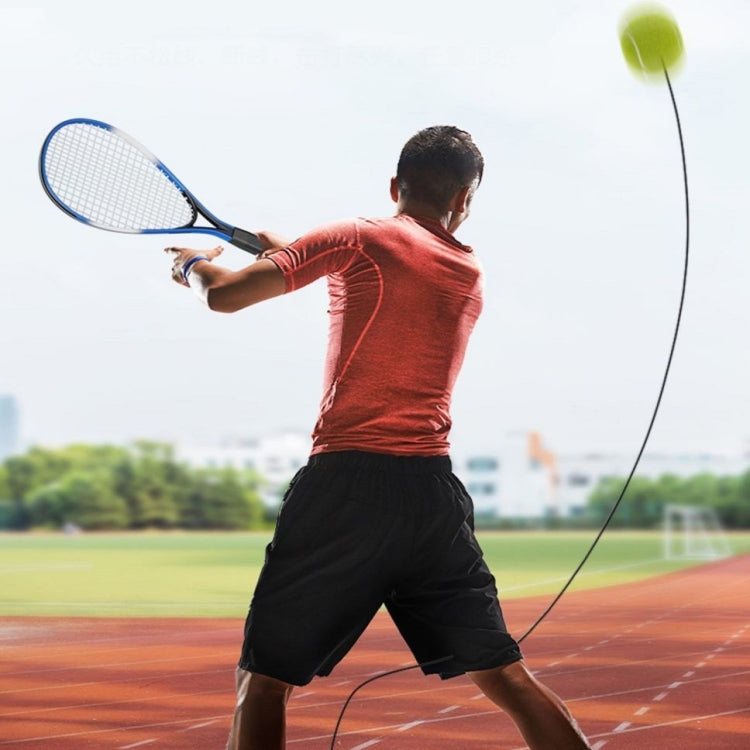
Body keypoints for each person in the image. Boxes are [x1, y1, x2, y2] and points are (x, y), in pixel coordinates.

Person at [165, 125, 591, 750]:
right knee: (505, 675)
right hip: (431, 497)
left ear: (394, 185)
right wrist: (290, 249)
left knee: (264, 683)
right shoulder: (466, 271)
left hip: (346, 488)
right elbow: (365, 269)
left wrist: (193, 266)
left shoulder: (355, 238)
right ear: (465, 200)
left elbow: (226, 297)